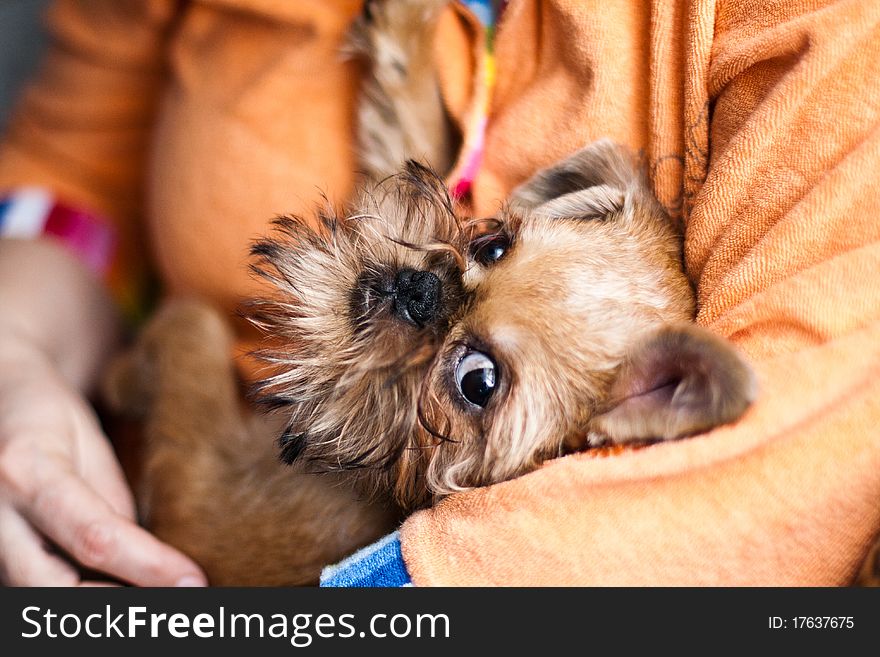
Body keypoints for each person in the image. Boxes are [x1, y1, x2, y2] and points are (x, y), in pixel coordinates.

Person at [1, 0, 878, 587]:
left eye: (478, 383)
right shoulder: (465, 278)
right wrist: (15, 350)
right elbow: (77, 167)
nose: (433, 280)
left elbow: (803, 458)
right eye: (489, 240)